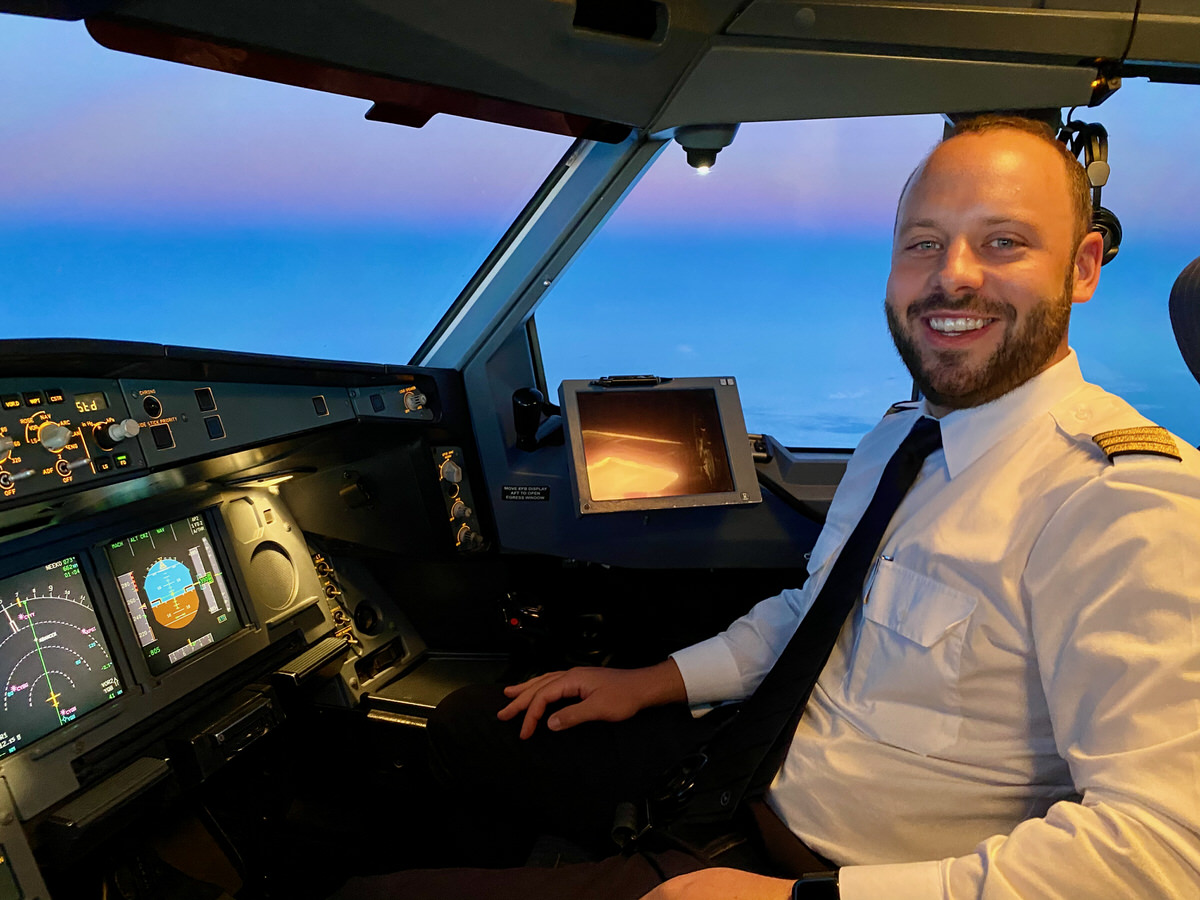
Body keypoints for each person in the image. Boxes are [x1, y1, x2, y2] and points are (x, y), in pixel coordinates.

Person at [335, 116, 1200, 899]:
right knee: (465, 727)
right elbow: (813, 611)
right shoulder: (907, 437)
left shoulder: (1123, 503)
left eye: (1004, 243)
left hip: (830, 871)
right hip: (741, 771)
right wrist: (648, 684)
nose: (953, 278)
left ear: (1082, 267)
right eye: (924, 244)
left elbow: (1163, 851)